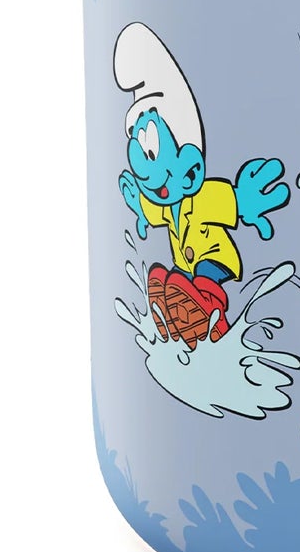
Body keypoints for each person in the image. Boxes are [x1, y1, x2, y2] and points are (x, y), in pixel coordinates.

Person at [113, 22, 289, 345]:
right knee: (175, 282)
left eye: (152, 151)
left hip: (215, 257)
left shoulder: (204, 196)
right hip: (186, 270)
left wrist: (248, 201)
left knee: (205, 276)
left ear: (191, 172)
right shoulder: (166, 206)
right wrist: (137, 203)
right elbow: (151, 211)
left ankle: (210, 312)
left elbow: (234, 201)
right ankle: (175, 315)